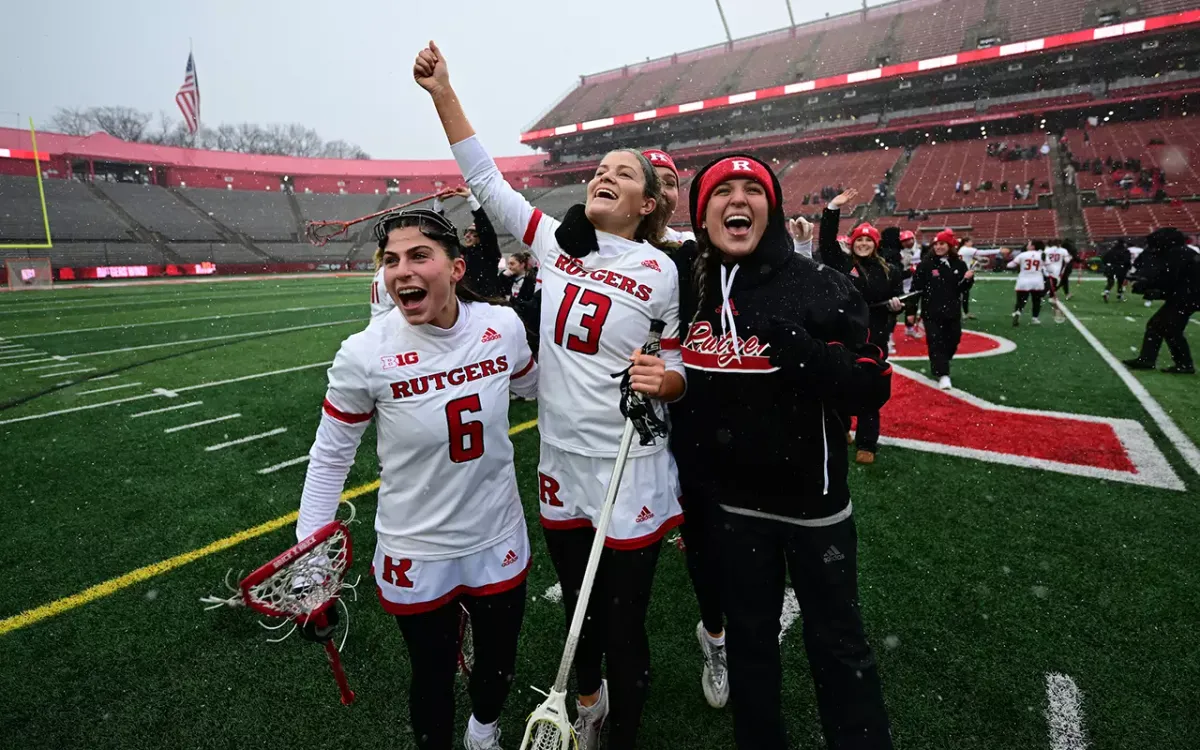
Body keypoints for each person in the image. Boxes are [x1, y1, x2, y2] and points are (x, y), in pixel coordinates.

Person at [414, 41, 687, 749]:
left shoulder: (662, 268)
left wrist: (670, 379)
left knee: (625, 627)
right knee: (581, 615)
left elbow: (679, 367)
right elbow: (486, 180)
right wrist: (444, 92)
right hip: (562, 462)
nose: (604, 175)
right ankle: (589, 706)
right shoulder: (555, 246)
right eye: (600, 170)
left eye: (622, 174)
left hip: (630, 468)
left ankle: (622, 731)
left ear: (647, 203)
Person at [670, 153, 894, 750]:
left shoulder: (821, 283)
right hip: (731, 508)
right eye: (721, 191)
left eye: (752, 190)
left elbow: (873, 387)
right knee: (749, 650)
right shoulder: (688, 281)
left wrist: (803, 351)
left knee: (839, 647)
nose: (736, 200)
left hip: (812, 507)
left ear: (771, 209)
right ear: (701, 212)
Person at [296, 208, 539, 750]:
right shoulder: (364, 354)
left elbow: (536, 387)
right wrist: (311, 558)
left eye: (419, 256)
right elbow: (330, 456)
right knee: (430, 673)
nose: (402, 270)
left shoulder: (500, 326)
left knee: (498, 662)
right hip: (416, 546)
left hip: (496, 532)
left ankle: (484, 733)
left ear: (456, 268)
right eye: (391, 260)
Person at [644, 146, 730, 710]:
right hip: (617, 422)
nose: (665, 189)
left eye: (673, 180)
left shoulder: (693, 255)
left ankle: (715, 637)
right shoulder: (587, 253)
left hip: (690, 416)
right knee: (620, 554)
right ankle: (609, 662)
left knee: (705, 542)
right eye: (655, 179)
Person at [820, 188, 903, 465]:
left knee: (870, 390)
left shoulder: (887, 269)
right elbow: (827, 242)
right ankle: (842, 427)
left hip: (874, 336)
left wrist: (896, 306)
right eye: (860, 239)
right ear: (853, 243)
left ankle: (868, 442)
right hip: (842, 334)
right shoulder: (842, 263)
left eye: (869, 240)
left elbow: (894, 298)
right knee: (838, 382)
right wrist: (833, 208)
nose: (864, 243)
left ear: (875, 244)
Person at [1122, 228, 1199, 374]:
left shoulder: (1176, 254)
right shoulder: (1183, 252)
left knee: (1168, 328)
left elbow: (1168, 279)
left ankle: (1181, 364)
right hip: (1188, 296)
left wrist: (1148, 286)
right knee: (1160, 326)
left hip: (1186, 297)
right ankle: (1151, 359)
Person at [912, 229, 974, 390]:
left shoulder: (959, 264)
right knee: (936, 342)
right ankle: (943, 373)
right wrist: (911, 312)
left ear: (950, 245)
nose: (938, 247)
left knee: (954, 340)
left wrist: (968, 280)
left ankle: (940, 363)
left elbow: (960, 289)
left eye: (942, 243)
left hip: (952, 311)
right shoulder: (925, 264)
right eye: (936, 244)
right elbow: (915, 290)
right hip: (931, 311)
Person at [437, 186, 504, 298]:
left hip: (486, 303)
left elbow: (486, 228)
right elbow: (440, 234)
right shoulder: (461, 252)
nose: (467, 236)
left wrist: (470, 198)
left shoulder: (489, 253)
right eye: (466, 232)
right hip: (464, 304)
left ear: (480, 236)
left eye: (472, 233)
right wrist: (439, 203)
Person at [1009, 240, 1047, 326]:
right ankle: (1035, 318)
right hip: (1037, 281)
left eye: (1029, 244)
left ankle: (1017, 312)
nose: (1027, 245)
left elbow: (1010, 265)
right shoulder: (1042, 255)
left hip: (1023, 280)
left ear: (1033, 246)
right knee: (1036, 301)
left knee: (1021, 300)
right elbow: (1047, 266)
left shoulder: (1023, 254)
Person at [899, 230, 923, 339]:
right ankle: (888, 335)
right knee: (894, 311)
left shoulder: (921, 251)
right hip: (902, 285)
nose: (908, 242)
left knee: (912, 310)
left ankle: (909, 329)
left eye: (909, 239)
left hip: (914, 286)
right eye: (905, 241)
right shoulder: (899, 254)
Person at [1042, 240, 1072, 322]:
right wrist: (1069, 257)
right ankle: (1049, 296)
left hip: (1047, 268)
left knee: (1048, 282)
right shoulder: (1063, 250)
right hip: (1056, 270)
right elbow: (1067, 261)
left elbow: (1042, 259)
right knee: (1054, 283)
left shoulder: (1047, 250)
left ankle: (1046, 295)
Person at [370, 245, 397, 322]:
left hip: (377, 320)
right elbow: (393, 301)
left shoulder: (380, 272)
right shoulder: (387, 272)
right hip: (385, 323)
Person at [957, 237, 978, 320]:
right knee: (963, 294)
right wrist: (998, 250)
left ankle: (964, 312)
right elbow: (981, 252)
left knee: (964, 294)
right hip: (965, 273)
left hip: (965, 273)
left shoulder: (962, 250)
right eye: (970, 241)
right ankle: (964, 312)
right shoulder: (966, 249)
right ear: (966, 242)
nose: (972, 243)